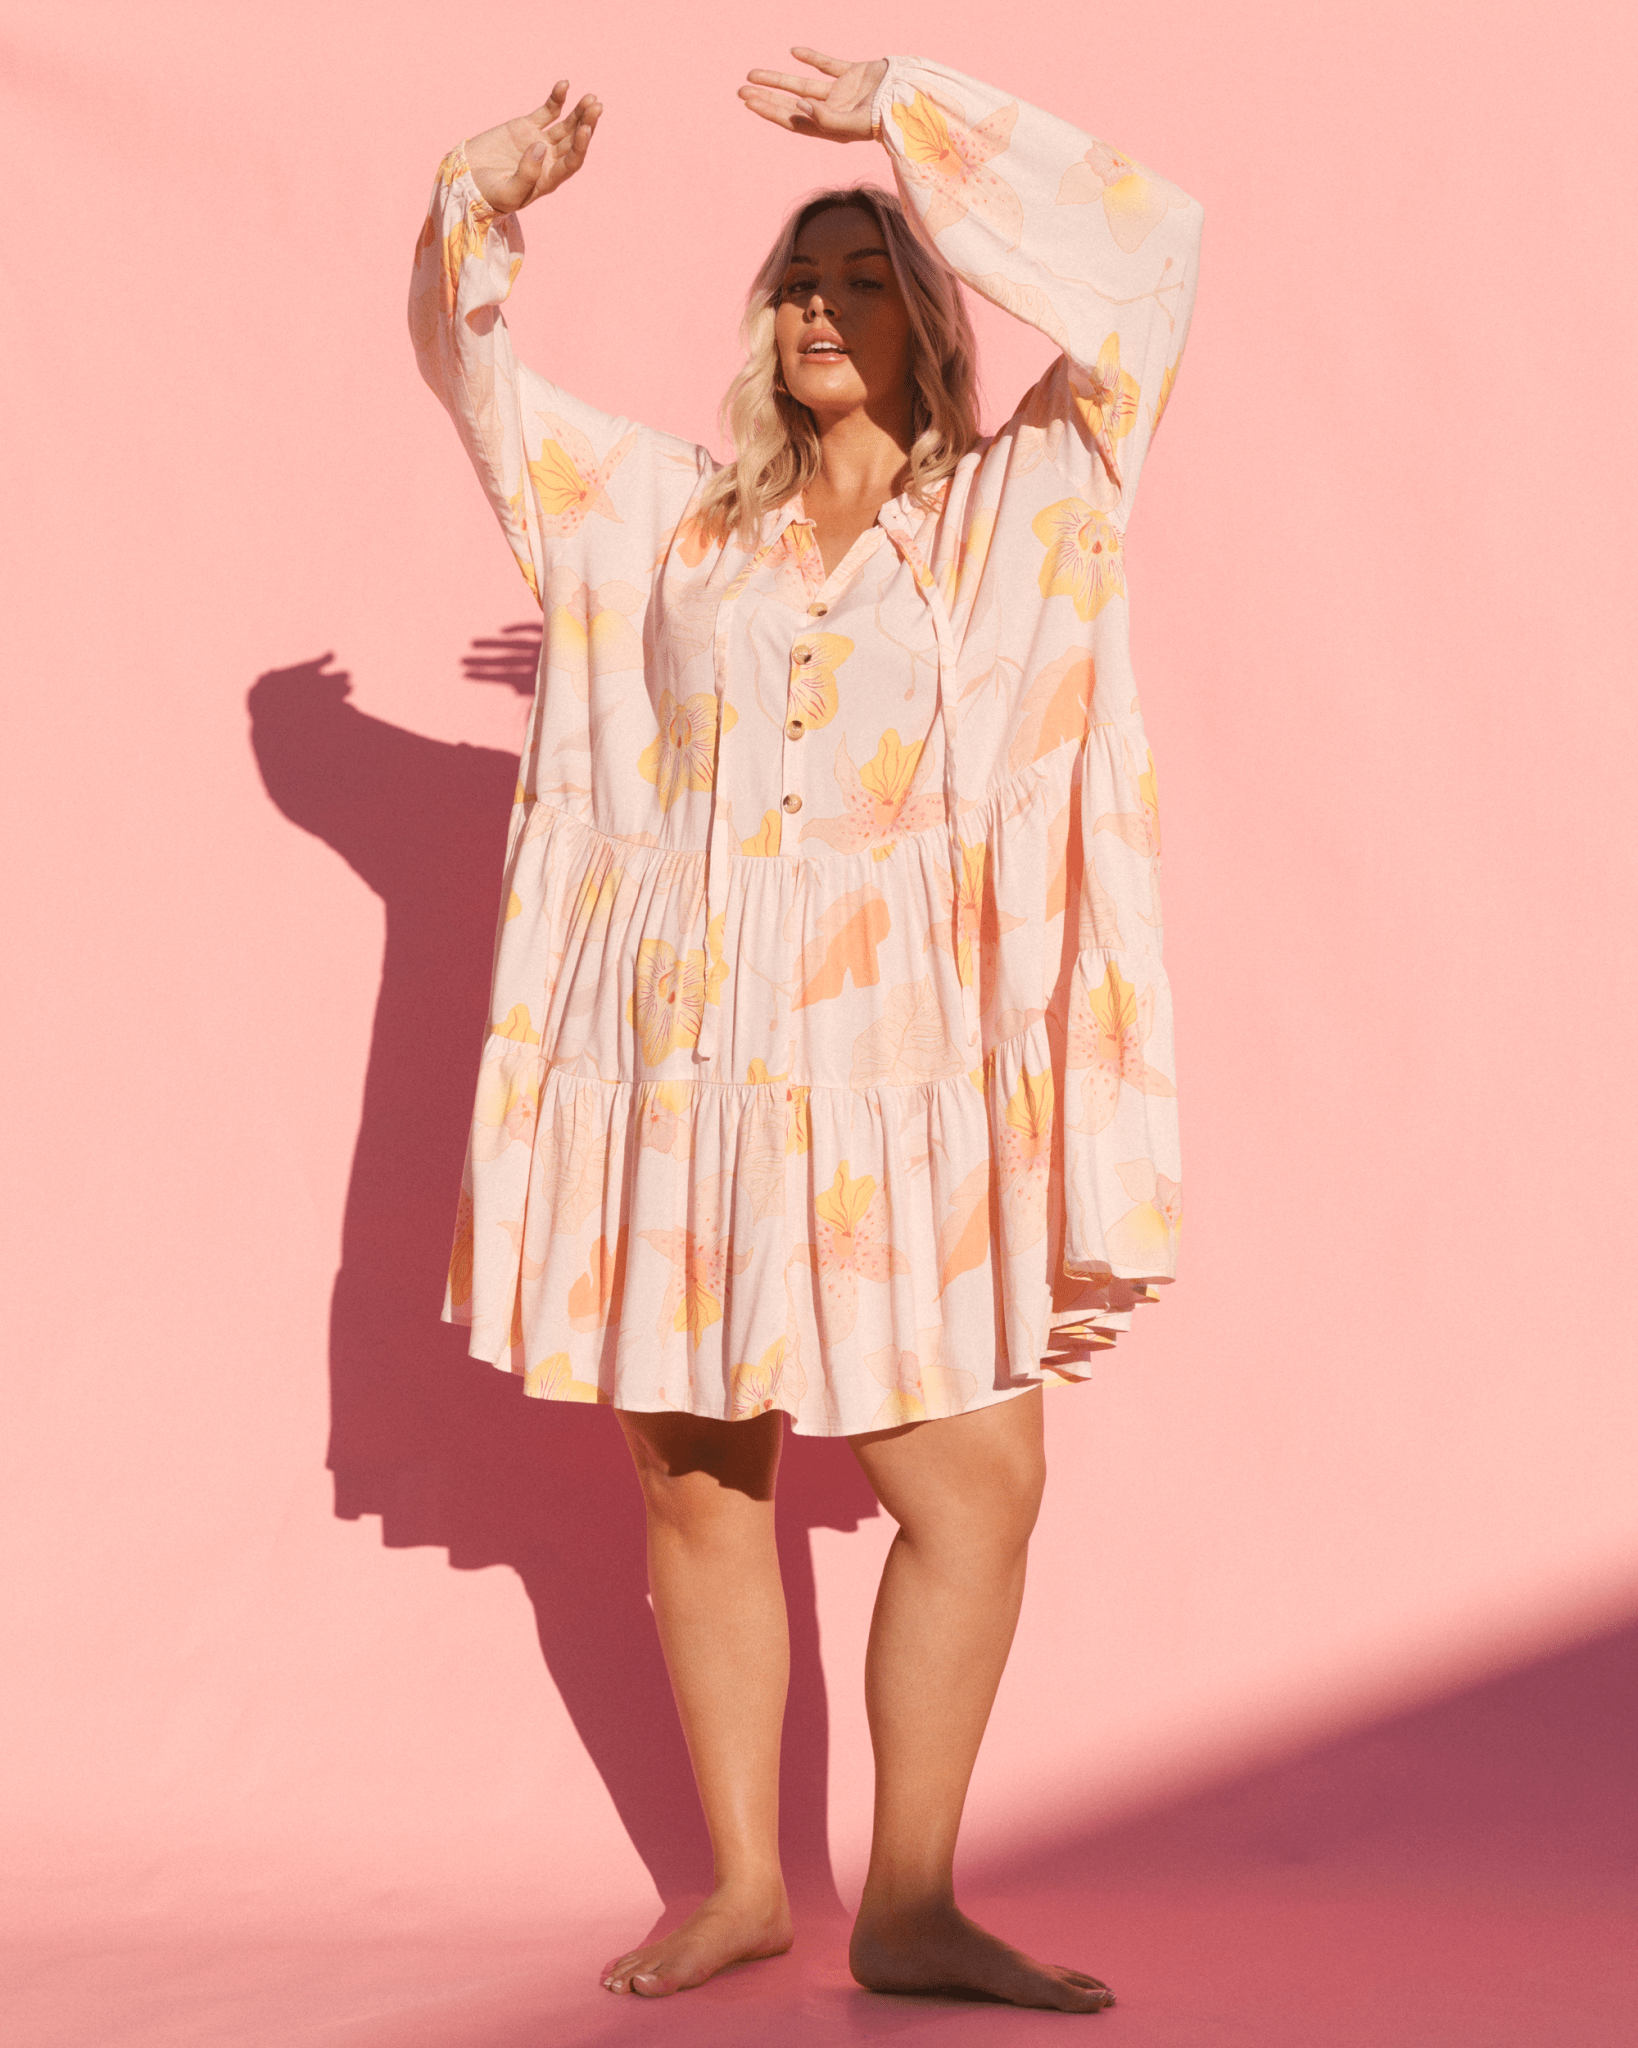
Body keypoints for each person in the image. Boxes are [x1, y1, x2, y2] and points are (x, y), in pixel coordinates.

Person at [410, 48, 1201, 2010]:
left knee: (978, 1484)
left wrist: (910, 119)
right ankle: (748, 1885)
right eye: (794, 284)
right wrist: (473, 202)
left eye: (860, 280)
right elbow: (482, 389)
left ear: (931, 317)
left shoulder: (1017, 501)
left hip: (896, 1054)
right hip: (691, 1048)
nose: (818, 310)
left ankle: (913, 1898)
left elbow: (1148, 261)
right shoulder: (670, 524)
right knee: (699, 1474)